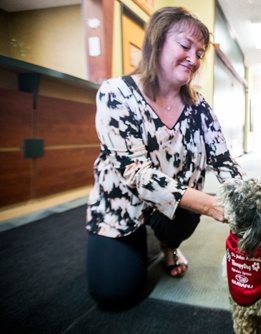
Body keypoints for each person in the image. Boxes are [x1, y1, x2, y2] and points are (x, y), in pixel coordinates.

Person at [85, 7, 244, 307]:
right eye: (185, 46)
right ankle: (128, 239)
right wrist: (210, 205)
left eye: (200, 53)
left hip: (173, 207)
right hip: (122, 204)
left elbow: (223, 160)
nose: (194, 59)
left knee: (187, 214)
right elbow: (135, 172)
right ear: (157, 42)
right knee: (113, 295)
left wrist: (248, 198)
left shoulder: (199, 105)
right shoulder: (115, 93)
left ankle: (169, 244)